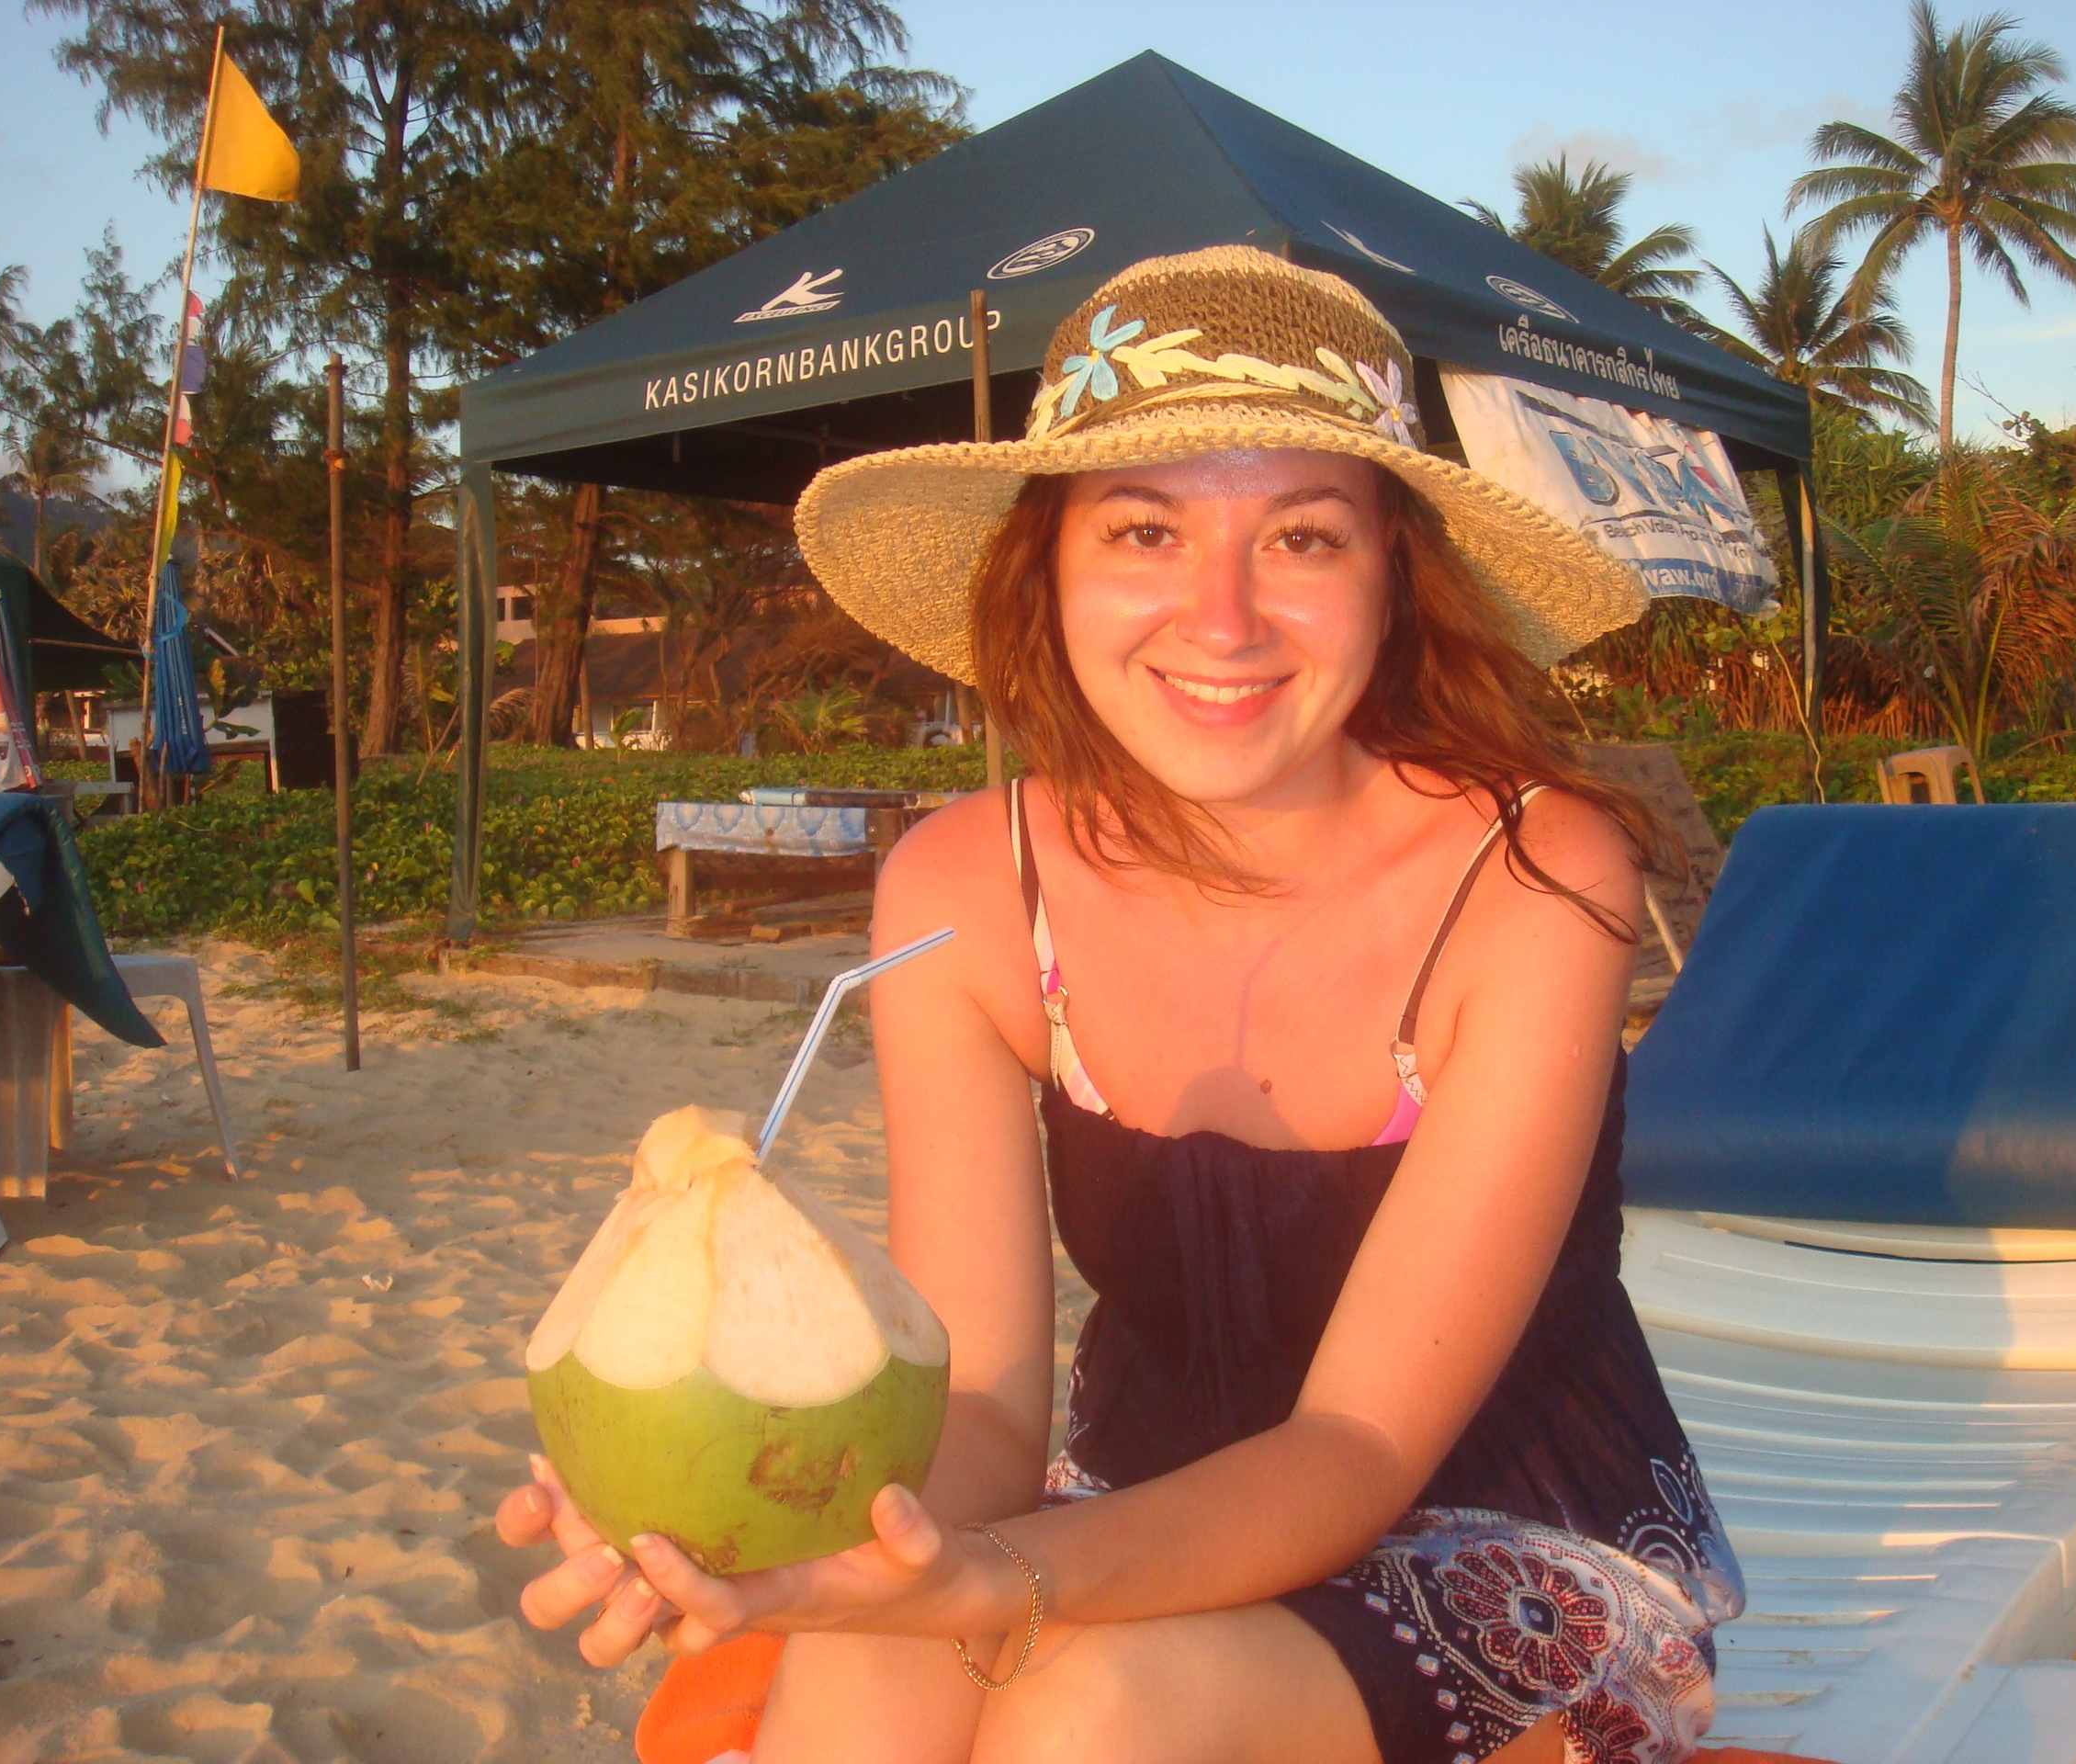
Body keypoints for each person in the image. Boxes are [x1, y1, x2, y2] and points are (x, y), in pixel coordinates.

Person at [497, 246, 1744, 1764]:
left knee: (1090, 1706)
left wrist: (1000, 1583)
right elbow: (980, 1414)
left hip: (1501, 1538)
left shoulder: (1534, 875)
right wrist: (771, 1539)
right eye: (1146, 529)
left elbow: (1357, 1446)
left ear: (1394, 576)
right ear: (1050, 566)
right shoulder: (967, 890)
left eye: (1303, 538)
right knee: (869, 1665)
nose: (1222, 619)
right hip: (1128, 1505)